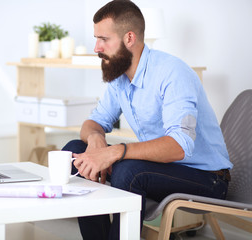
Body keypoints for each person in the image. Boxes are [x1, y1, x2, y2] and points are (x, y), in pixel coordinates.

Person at [61, 0, 233, 239]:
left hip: (207, 178)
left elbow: (179, 146)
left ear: (129, 38)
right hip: (157, 169)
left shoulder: (173, 73)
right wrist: (95, 140)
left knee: (129, 172)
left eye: (103, 39)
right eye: (96, 39)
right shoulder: (120, 77)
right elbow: (93, 123)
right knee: (73, 153)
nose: (96, 47)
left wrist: (115, 152)